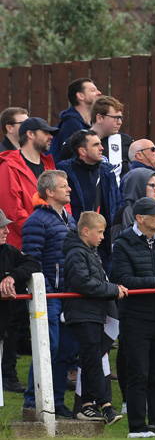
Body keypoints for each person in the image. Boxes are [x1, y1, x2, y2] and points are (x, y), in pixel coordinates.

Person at [110, 197, 155, 438]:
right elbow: (122, 278)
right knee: (138, 374)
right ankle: (138, 427)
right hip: (135, 319)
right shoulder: (123, 244)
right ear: (140, 218)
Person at [19, 171, 77, 418]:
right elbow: (32, 262)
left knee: (65, 350)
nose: (69, 190)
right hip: (48, 298)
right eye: (64, 186)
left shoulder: (70, 220)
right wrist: (46, 294)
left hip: (69, 296)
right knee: (48, 347)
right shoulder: (36, 221)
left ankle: (57, 402)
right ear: (50, 192)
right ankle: (33, 402)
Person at [63, 211, 126, 426]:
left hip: (92, 313)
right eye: (99, 232)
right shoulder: (76, 253)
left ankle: (87, 405)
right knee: (93, 358)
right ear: (86, 231)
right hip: (82, 314)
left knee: (92, 358)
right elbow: (82, 282)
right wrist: (112, 289)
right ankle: (105, 405)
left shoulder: (89, 252)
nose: (102, 237)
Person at [57, 129, 124, 269]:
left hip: (103, 244)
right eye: (96, 145)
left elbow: (116, 205)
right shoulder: (64, 172)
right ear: (82, 151)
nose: (102, 148)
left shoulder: (108, 171)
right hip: (75, 243)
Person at [0, 116, 58, 249]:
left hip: (50, 244)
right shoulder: (9, 166)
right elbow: (12, 211)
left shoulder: (49, 166)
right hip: (24, 246)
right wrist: (42, 233)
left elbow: (62, 202)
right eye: (45, 133)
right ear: (30, 134)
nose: (50, 137)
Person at [0, 210, 40, 395]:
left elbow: (33, 263)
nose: (7, 231)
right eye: (1, 227)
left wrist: (12, 277)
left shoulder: (10, 251)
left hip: (8, 316)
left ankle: (8, 375)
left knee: (11, 333)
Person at [58, 95, 133, 184]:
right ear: (99, 118)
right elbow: (61, 173)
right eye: (115, 118)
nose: (120, 122)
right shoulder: (74, 142)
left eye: (121, 118)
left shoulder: (125, 141)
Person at [50, 78, 99, 162]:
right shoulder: (71, 122)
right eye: (93, 90)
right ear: (80, 96)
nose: (99, 93)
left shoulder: (91, 122)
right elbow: (69, 156)